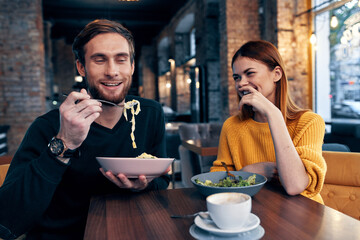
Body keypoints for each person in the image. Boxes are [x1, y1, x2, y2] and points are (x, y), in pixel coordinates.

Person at [0, 19, 170, 239]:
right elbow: (8, 220)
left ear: (132, 66)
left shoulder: (150, 113)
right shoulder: (48, 126)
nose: (112, 71)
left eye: (121, 60)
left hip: (129, 231)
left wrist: (141, 186)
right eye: (100, 60)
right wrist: (65, 142)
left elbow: (162, 181)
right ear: (81, 67)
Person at [211, 40, 326, 203]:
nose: (241, 83)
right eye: (237, 77)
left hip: (304, 216)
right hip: (254, 212)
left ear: (276, 74)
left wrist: (274, 115)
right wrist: (253, 170)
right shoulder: (231, 126)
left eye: (250, 73)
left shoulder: (310, 122)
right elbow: (218, 184)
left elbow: (295, 185)